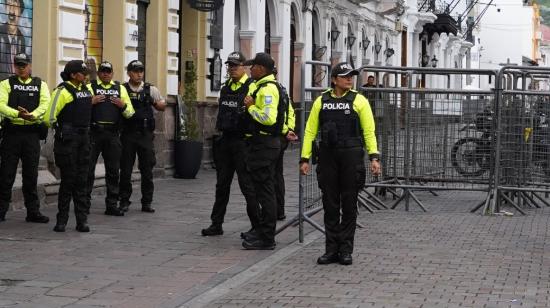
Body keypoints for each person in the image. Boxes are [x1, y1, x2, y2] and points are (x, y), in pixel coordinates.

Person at [299, 62, 381, 265]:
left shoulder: (359, 100)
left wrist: (374, 157)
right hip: (328, 156)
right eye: (345, 76)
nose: (349, 79)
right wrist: (304, 158)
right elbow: (310, 131)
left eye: (351, 76)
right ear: (334, 79)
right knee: (330, 204)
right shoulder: (321, 101)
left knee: (349, 204)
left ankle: (346, 250)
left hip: (351, 156)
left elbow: (369, 131)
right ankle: (331, 249)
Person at [201, 51, 260, 236]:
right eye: (230, 65)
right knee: (222, 185)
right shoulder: (226, 87)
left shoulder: (252, 87)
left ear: (244, 67)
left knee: (247, 186)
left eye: (235, 65)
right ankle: (216, 223)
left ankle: (257, 226)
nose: (232, 68)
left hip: (243, 142)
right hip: (226, 140)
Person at [240, 52, 285, 250]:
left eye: (253, 66)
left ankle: (267, 237)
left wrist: (250, 108)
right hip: (264, 144)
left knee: (265, 191)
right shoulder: (262, 86)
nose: (250, 69)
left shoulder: (267, 89)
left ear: (261, 68)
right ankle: (263, 233)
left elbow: (268, 118)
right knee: (263, 189)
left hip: (265, 145)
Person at [0, 53, 50, 223]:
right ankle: (1, 211)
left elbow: (45, 104)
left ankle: (33, 212)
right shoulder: (6, 84)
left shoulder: (40, 84)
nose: (21, 68)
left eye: (24, 65)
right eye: (18, 65)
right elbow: (0, 104)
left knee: (31, 175)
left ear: (30, 65)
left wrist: (32, 116)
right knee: (6, 174)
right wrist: (18, 114)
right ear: (14, 66)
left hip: (31, 134)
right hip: (11, 134)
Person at [45, 60, 93, 232]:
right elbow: (49, 117)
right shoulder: (62, 91)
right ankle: (62, 220)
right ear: (73, 75)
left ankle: (82, 221)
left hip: (84, 141)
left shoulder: (86, 90)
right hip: (68, 143)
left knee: (82, 181)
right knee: (68, 181)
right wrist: (62, 129)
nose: (86, 76)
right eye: (83, 73)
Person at [86, 61, 134, 217]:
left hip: (113, 135)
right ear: (99, 73)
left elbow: (130, 113)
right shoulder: (90, 87)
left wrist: (123, 106)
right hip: (94, 133)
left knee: (113, 171)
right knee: (88, 170)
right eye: (103, 71)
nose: (105, 74)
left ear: (113, 73)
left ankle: (112, 204)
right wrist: (89, 102)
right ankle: (84, 203)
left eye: (108, 71)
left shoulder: (120, 89)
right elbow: (79, 108)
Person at [118, 60, 166, 213]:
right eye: (135, 71)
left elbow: (162, 105)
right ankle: (124, 200)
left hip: (145, 134)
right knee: (125, 169)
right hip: (128, 134)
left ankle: (147, 202)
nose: (139, 74)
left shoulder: (150, 89)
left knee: (147, 169)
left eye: (141, 71)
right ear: (129, 73)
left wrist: (153, 101)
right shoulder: (122, 89)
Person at [275, 86, 297, 221]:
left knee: (270, 176)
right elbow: (291, 113)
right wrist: (289, 129)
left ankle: (274, 210)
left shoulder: (268, 88)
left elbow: (273, 118)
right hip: (282, 137)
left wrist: (285, 131)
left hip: (273, 137)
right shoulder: (283, 89)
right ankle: (279, 210)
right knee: (277, 175)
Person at [0, 0, 26, 75]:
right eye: (8, 5)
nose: (11, 9)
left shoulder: (21, 39)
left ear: (20, 12)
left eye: (15, 6)